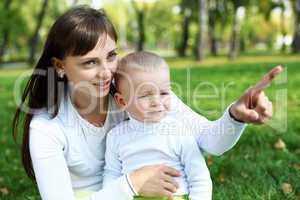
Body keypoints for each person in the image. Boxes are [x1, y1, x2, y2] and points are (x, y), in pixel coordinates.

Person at [11, 6, 282, 200]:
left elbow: (210, 141)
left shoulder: (140, 95)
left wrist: (235, 116)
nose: (107, 71)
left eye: (111, 55)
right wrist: (134, 183)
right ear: (60, 67)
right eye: (90, 62)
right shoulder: (47, 128)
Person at [103, 51, 212, 200]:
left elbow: (199, 177)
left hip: (175, 196)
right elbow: (112, 175)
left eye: (164, 93)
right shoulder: (116, 136)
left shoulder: (178, 131)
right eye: (145, 95)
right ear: (122, 101)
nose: (156, 101)